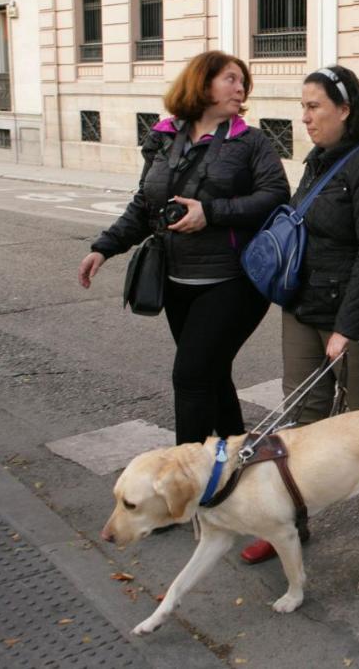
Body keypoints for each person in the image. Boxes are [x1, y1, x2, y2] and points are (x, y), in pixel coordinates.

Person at [240, 64, 359, 564]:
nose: (305, 117)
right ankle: (290, 526)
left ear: (345, 110)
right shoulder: (319, 160)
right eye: (302, 107)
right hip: (306, 305)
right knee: (302, 419)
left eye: (314, 106)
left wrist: (347, 327)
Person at [77, 50, 289, 446]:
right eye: (231, 78)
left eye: (243, 81)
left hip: (233, 280)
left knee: (190, 375)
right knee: (212, 372)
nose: (240, 87)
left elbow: (277, 196)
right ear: (201, 82)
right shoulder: (164, 136)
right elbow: (146, 203)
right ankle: (236, 460)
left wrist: (212, 212)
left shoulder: (251, 141)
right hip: (177, 278)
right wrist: (104, 247)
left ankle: (187, 481)